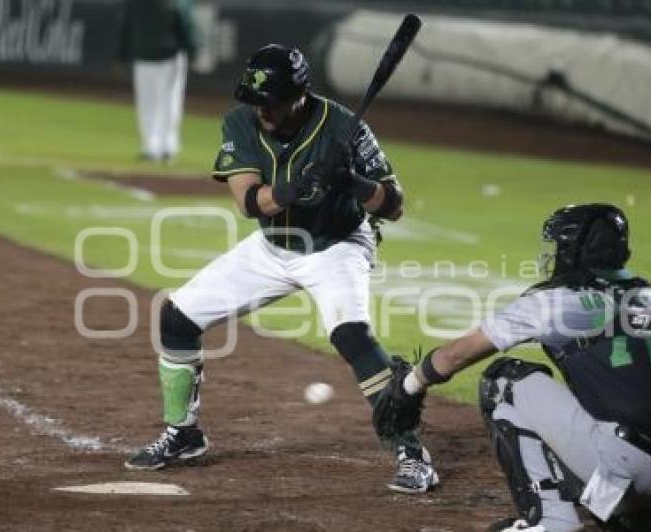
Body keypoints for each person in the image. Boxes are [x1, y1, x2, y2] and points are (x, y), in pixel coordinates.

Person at [125, 44, 439, 494]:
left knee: (352, 337)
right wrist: (302, 183)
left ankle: (411, 453)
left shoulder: (345, 126)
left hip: (336, 245)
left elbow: (394, 206)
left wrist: (351, 181)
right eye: (257, 101)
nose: (262, 111)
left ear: (300, 94)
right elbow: (250, 202)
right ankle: (184, 434)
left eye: (271, 102)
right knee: (176, 318)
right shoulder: (240, 121)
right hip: (272, 247)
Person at [375, 203, 651, 532]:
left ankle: (550, 517)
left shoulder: (556, 302)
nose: (554, 255)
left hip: (626, 469)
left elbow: (458, 355)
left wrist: (412, 384)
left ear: (576, 251)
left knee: (503, 381)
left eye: (559, 246)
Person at [119, 0, 198, 163]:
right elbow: (185, 24)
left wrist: (120, 54)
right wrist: (192, 51)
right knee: (168, 102)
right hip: (167, 55)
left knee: (148, 103)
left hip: (145, 55)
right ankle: (165, 146)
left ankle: (152, 147)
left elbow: (125, 25)